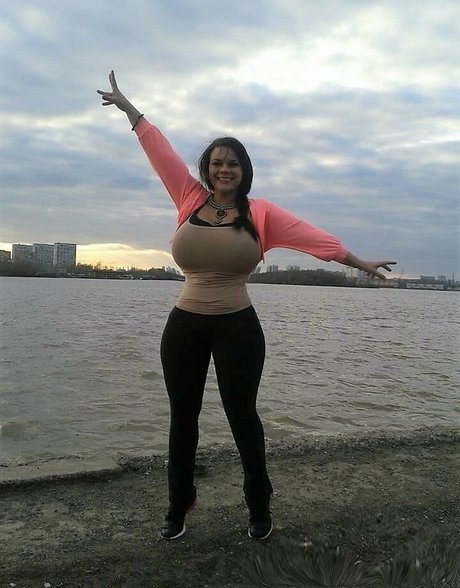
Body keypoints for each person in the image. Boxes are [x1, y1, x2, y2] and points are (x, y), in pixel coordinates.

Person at [97, 71, 396, 541]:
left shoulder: (262, 214)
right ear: (207, 168)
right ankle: (179, 503)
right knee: (182, 418)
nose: (224, 169)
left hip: (237, 326)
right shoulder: (188, 198)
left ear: (243, 170)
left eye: (232, 163)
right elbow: (160, 152)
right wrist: (130, 110)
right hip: (185, 325)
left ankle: (259, 505)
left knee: (243, 417)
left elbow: (315, 240)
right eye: (217, 162)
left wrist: (359, 262)